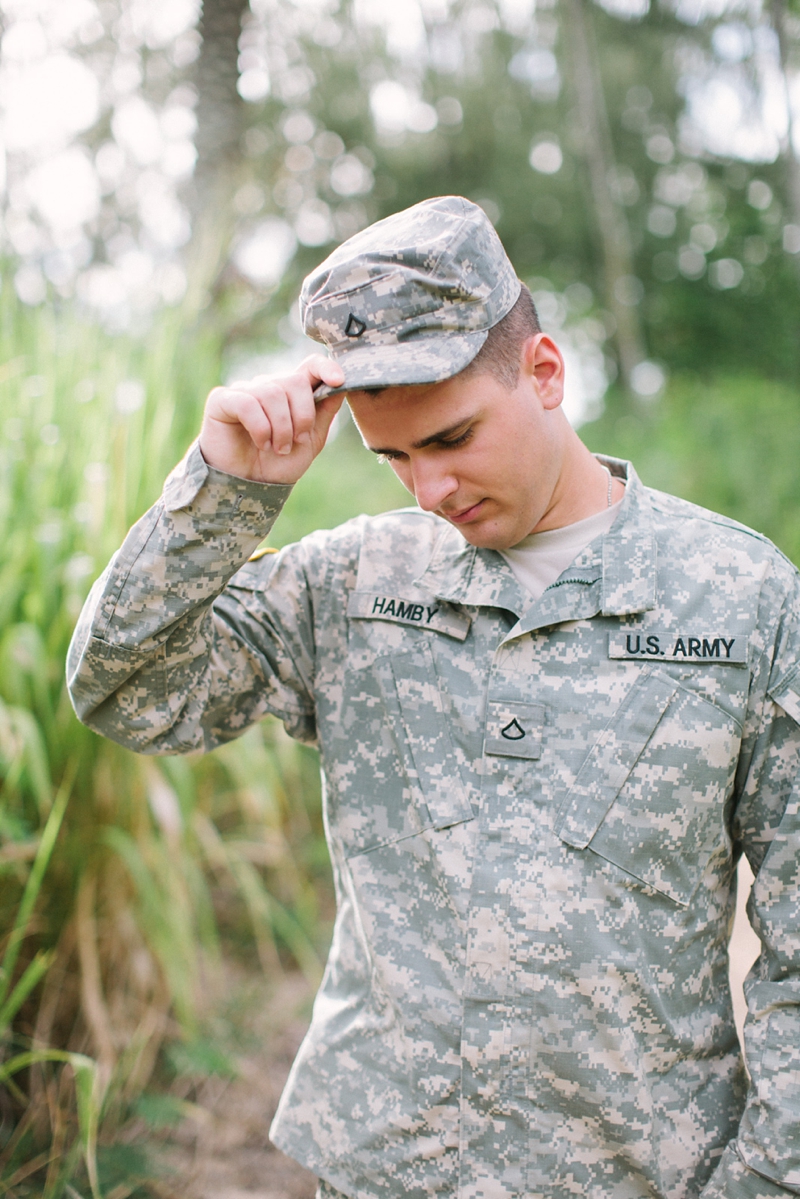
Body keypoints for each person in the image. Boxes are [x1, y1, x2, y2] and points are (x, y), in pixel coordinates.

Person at [67, 196, 800, 1199]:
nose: (428, 489)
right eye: (394, 456)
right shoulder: (354, 583)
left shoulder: (741, 595)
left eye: (452, 437)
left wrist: (764, 1178)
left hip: (640, 1174)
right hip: (386, 1168)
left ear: (543, 372)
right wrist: (222, 491)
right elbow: (127, 691)